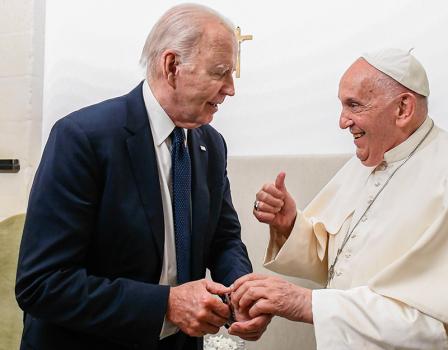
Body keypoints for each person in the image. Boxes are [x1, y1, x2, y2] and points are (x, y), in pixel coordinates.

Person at [230, 48, 448, 349]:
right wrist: (291, 225)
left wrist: (306, 303)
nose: (342, 121)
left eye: (354, 105)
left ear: (403, 108)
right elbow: (342, 262)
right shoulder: (365, 165)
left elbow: (446, 327)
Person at [15, 4, 269, 350]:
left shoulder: (211, 144)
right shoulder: (82, 138)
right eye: (221, 72)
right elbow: (42, 284)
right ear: (171, 66)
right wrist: (167, 304)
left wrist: (242, 291)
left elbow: (223, 239)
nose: (230, 89)